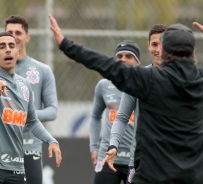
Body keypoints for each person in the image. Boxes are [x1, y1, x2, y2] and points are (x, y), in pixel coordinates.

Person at [49, 14, 203, 184]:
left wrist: (66, 45)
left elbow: (106, 65)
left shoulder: (148, 79)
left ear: (164, 51)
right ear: (194, 52)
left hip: (151, 176)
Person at [0, 32, 61, 184]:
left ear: (17, 52)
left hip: (16, 167)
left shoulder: (24, 85)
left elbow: (31, 121)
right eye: (2, 46)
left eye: (12, 46)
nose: (8, 49)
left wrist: (51, 140)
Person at [106, 24, 166, 184]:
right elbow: (122, 117)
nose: (158, 49)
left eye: (163, 44)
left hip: (173, 163)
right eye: (154, 44)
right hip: (141, 163)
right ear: (148, 46)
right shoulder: (138, 78)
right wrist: (113, 145)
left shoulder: (184, 78)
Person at [89, 40, 140, 184]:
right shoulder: (104, 85)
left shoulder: (144, 85)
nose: (123, 59)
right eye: (119, 56)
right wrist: (94, 147)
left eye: (128, 56)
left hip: (135, 159)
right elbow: (95, 116)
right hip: (107, 156)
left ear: (138, 62)